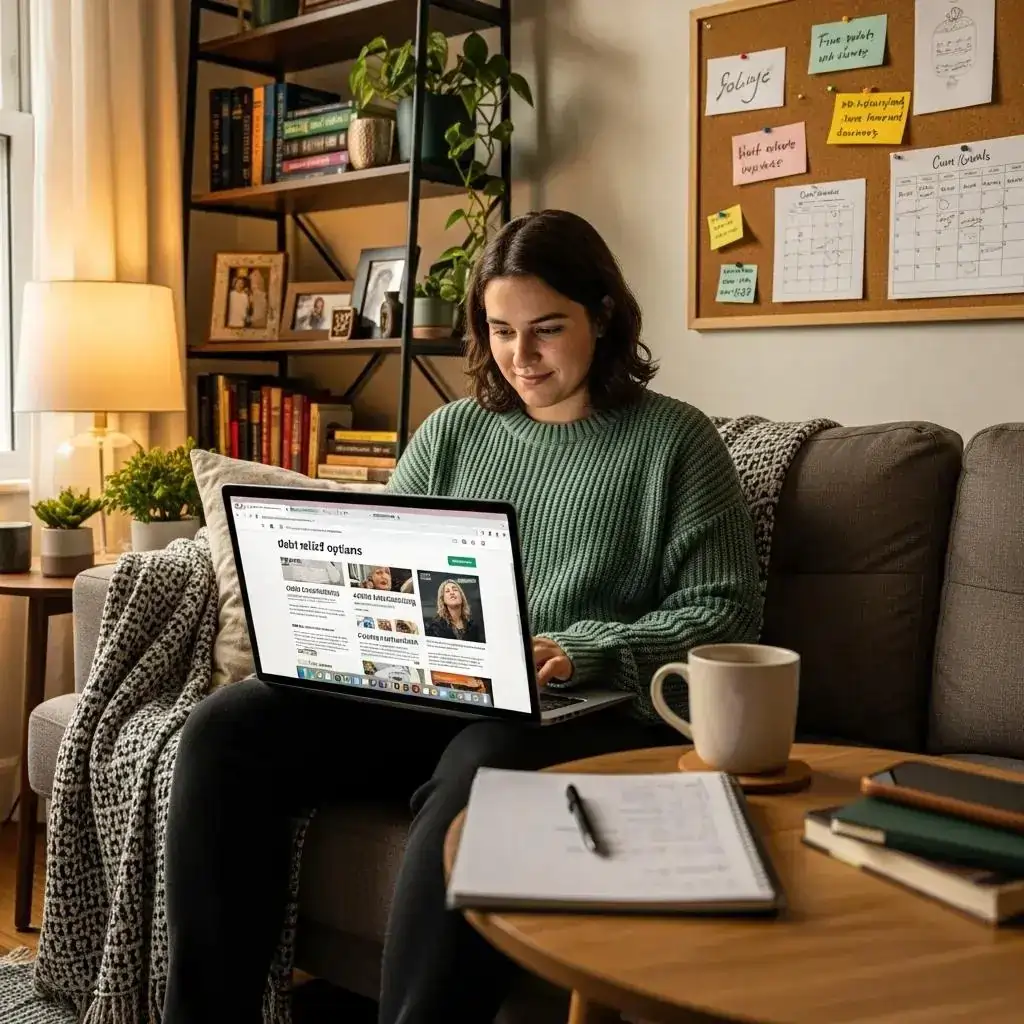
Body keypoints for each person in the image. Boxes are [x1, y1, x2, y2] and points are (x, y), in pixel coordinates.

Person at [162, 209, 762, 1024]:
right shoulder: (452, 430)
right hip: (434, 688)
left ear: (604, 315)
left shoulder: (676, 442)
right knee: (229, 726)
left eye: (547, 330)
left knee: (485, 763)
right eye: (502, 330)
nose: (522, 356)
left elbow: (724, 613)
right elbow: (389, 566)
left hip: (581, 708)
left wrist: (580, 648)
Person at [425, 578, 483, 643]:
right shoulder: (435, 628)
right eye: (447, 591)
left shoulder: (473, 626)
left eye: (455, 590)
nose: (452, 593)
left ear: (462, 596)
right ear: (443, 600)